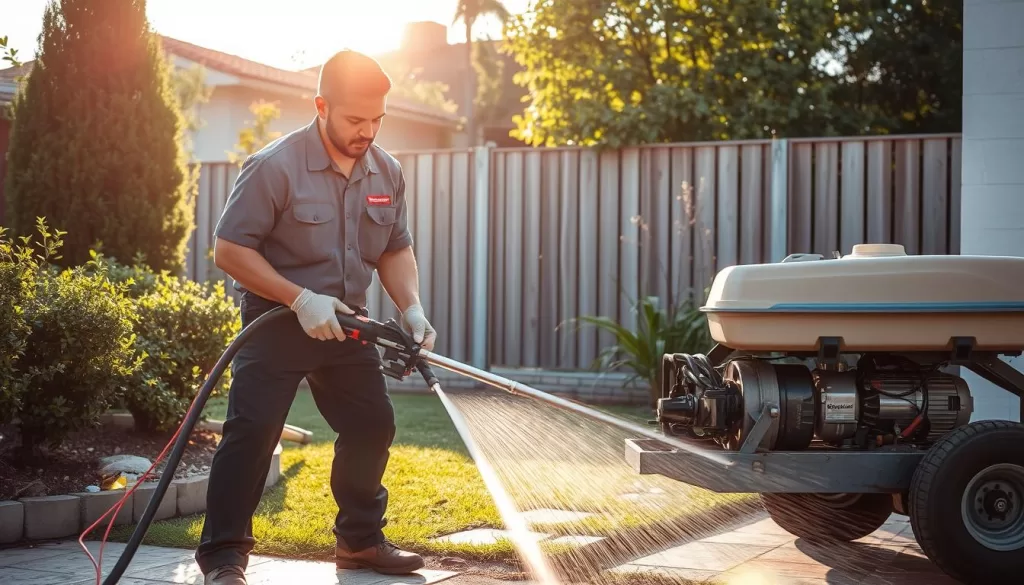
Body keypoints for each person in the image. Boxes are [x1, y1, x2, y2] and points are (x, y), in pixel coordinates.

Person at [195, 49, 436, 585]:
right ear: (321, 106)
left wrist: (411, 306)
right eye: (355, 120)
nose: (367, 131)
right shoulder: (274, 165)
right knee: (253, 431)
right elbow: (231, 250)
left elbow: (395, 247)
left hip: (348, 322)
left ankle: (359, 543)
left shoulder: (386, 171)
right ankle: (224, 557)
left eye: (377, 119)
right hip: (277, 319)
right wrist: (300, 299)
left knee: (373, 423)